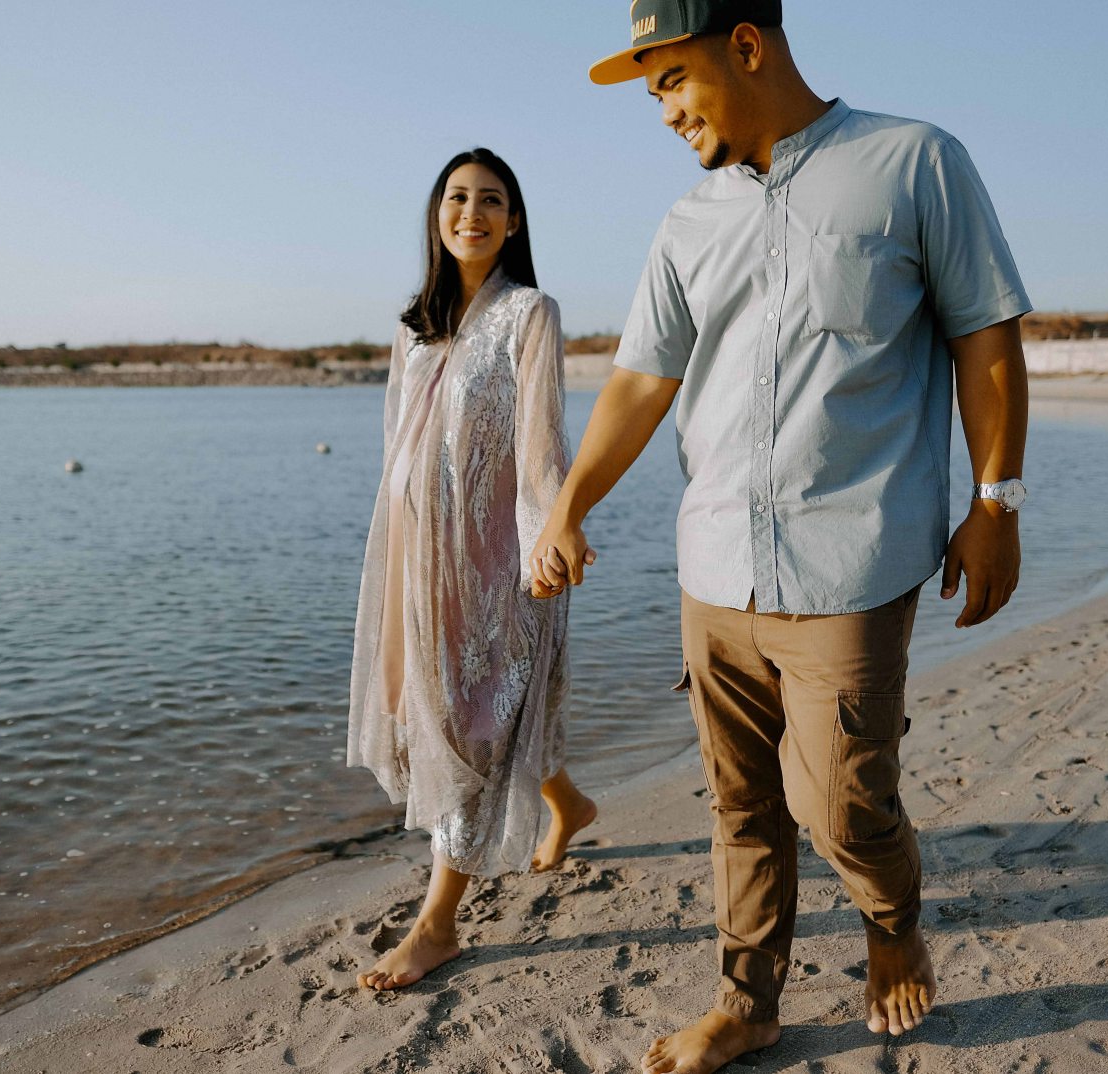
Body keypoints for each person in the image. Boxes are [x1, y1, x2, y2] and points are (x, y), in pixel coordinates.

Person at [532, 4, 1032, 1072]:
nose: (661, 111)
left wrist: (996, 505)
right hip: (712, 569)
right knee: (741, 809)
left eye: (670, 81)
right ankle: (747, 1002)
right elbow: (637, 382)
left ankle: (892, 930)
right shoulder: (686, 223)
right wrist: (567, 506)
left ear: (745, 46)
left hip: (852, 568)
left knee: (843, 807)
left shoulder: (912, 163)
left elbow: (985, 334)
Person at [347, 148, 600, 992]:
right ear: (436, 214)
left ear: (514, 221)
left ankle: (437, 925)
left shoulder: (530, 313)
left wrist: (550, 533)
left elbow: (539, 448)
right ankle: (566, 802)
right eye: (457, 198)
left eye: (492, 200)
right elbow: (397, 450)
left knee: (472, 727)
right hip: (419, 564)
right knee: (464, 715)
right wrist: (393, 562)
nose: (472, 213)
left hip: (498, 565)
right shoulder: (414, 329)